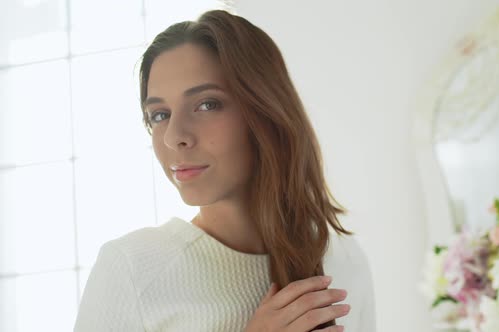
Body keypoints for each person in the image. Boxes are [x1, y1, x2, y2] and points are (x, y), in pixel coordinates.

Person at [74, 9, 375, 332]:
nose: (175, 136)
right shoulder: (133, 268)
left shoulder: (343, 259)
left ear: (265, 111)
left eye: (206, 104)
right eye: (160, 115)